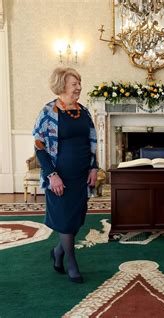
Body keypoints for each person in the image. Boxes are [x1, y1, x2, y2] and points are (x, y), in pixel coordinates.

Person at [33, 67, 98, 284]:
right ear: (62, 86)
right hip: (60, 176)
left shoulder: (84, 111)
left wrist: (94, 167)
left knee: (76, 219)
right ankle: (72, 262)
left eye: (79, 83)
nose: (79, 87)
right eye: (74, 84)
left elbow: (92, 144)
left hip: (81, 175)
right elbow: (39, 147)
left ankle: (58, 251)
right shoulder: (48, 112)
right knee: (65, 220)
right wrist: (51, 175)